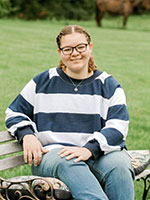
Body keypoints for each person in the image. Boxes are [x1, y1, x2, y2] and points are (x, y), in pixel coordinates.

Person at [5, 24, 135, 200]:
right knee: (70, 161)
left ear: (90, 47)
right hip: (53, 156)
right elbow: (14, 112)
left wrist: (90, 149)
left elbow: (118, 126)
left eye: (80, 47)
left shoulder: (108, 85)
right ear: (60, 53)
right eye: (67, 49)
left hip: (96, 153)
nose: (75, 53)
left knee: (119, 165)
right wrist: (27, 135)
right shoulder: (43, 81)